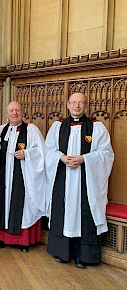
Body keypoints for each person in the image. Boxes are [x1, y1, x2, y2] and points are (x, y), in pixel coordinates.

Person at [45, 92, 114, 269]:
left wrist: (85, 159)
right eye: (73, 103)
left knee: (83, 214)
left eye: (80, 103)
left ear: (85, 105)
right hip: (64, 179)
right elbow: (48, 150)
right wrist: (61, 158)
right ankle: (63, 252)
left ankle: (83, 256)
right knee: (64, 212)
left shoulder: (97, 127)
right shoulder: (57, 126)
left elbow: (107, 154)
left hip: (86, 180)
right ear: (67, 105)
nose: (77, 106)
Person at [0, 101, 46, 253]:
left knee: (22, 206)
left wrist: (27, 154)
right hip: (3, 177)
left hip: (22, 176)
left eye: (17, 110)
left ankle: (23, 241)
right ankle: (1, 239)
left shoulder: (31, 130)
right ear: (7, 113)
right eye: (11, 111)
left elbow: (41, 152)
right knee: (2, 205)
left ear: (22, 112)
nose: (14, 113)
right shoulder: (0, 130)